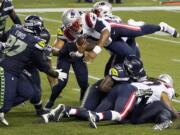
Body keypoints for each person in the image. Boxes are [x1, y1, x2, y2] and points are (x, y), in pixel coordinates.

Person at [0, 15, 67, 126]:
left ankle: (36, 109)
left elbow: (3, 38)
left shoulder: (15, 28)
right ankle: (4, 106)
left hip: (15, 66)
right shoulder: (34, 42)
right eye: (40, 26)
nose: (41, 28)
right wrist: (54, 73)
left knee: (29, 92)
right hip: (10, 69)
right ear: (35, 27)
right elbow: (41, 64)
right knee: (6, 105)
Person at [61, 8, 179, 63]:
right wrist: (81, 52)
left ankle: (162, 27)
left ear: (78, 17)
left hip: (113, 29)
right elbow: (86, 46)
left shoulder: (86, 18)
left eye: (76, 22)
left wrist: (95, 51)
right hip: (107, 42)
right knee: (130, 55)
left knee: (138, 30)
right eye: (71, 26)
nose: (75, 26)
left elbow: (105, 32)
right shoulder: (68, 33)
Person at [44, 23, 89, 110]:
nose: (77, 26)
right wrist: (65, 51)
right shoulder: (63, 30)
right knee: (62, 83)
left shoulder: (84, 27)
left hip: (78, 58)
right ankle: (50, 102)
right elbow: (54, 52)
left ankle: (83, 101)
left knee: (83, 83)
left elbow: (88, 43)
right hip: (64, 57)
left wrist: (82, 49)